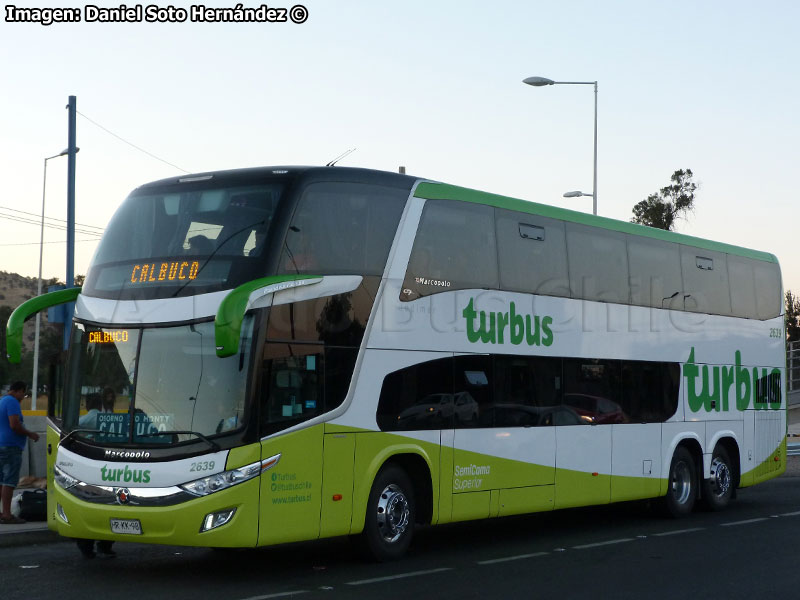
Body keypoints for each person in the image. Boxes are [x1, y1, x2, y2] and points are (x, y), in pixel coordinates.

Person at [0, 381, 40, 525]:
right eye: (24, 393)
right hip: (11, 447)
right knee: (9, 482)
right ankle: (6, 514)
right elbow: (14, 424)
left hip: (2, 445)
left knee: (1, 481)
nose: (23, 397)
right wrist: (30, 434)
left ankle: (2, 513)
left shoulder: (2, 401)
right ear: (18, 391)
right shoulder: (12, 402)